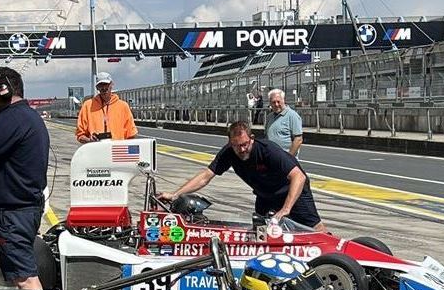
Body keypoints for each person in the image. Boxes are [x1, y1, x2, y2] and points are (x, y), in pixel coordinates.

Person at [159, 121, 326, 231]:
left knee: (314, 228)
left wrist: (286, 209)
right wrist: (175, 194)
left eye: (245, 144)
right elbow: (205, 176)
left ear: (251, 139)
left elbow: (298, 177)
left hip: (291, 191)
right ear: (230, 142)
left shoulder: (267, 150)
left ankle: (335, 255)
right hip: (265, 195)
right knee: (261, 230)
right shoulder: (229, 152)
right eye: (236, 145)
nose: (242, 150)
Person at [0, 67, 50, 290]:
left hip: (13, 213)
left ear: (4, 91)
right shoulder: (25, 116)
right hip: (20, 210)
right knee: (19, 275)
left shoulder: (13, 118)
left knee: (25, 278)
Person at [75, 72, 138, 143]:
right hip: (96, 148)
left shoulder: (123, 106)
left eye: (106, 84)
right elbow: (80, 135)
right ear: (97, 87)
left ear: (112, 84)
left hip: (116, 148)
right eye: (101, 85)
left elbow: (131, 134)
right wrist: (90, 140)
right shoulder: (87, 106)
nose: (104, 88)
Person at [265, 88, 304, 156]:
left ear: (283, 100)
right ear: (270, 103)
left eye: (278, 101)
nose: (276, 104)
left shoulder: (292, 116)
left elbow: (298, 139)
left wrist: (288, 157)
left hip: (285, 159)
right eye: (273, 102)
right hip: (271, 157)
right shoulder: (269, 117)